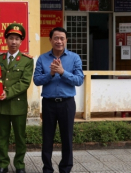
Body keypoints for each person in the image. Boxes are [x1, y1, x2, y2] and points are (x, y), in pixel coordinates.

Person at [33, 27, 84, 173]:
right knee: (47, 138)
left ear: (66, 40)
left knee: (67, 138)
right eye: (56, 38)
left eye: (62, 38)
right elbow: (36, 80)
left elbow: (79, 80)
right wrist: (50, 73)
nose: (59, 41)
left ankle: (65, 168)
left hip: (67, 103)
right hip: (48, 103)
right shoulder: (43, 58)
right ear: (50, 40)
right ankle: (47, 168)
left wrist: (63, 73)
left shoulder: (75, 58)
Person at [0, 23, 34, 173]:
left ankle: (19, 164)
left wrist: (7, 92)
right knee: (2, 136)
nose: (14, 42)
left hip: (18, 105)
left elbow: (24, 82)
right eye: (11, 38)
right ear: (6, 40)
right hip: (2, 105)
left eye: (17, 39)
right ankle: (3, 163)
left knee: (20, 137)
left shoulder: (27, 60)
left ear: (21, 41)